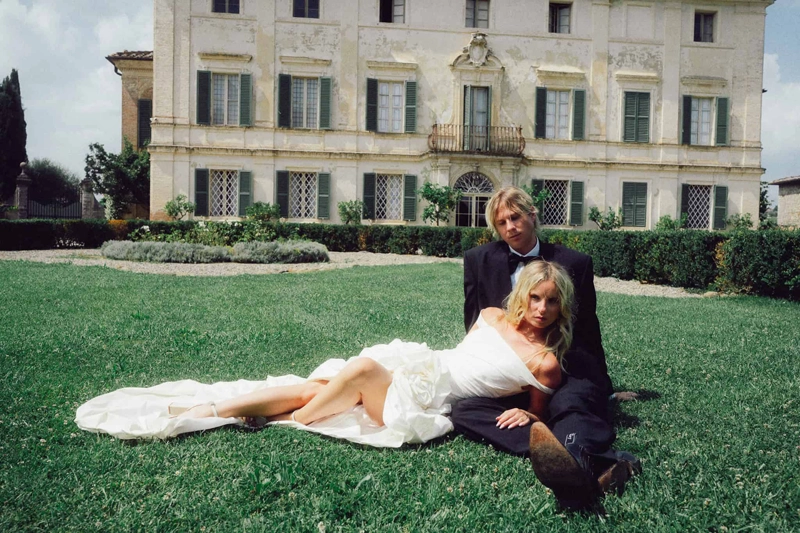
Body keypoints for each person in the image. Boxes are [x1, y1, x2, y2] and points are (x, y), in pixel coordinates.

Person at [76, 261, 575, 449]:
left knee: (355, 371)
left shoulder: (544, 360)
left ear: (561, 307)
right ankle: (209, 410)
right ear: (523, 295)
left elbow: (538, 406)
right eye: (536, 297)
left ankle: (296, 419)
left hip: (427, 399)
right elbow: (467, 355)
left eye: (552, 301)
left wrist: (525, 410)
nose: (542, 309)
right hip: (420, 365)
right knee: (321, 383)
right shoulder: (491, 316)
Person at [455, 186, 639, 510]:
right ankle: (554, 447)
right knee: (462, 410)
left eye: (515, 217)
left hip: (563, 366)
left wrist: (604, 388)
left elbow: (588, 332)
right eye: (501, 222)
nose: (510, 227)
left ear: (532, 215)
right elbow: (475, 325)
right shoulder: (478, 260)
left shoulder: (574, 262)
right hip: (511, 370)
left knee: (569, 406)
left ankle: (586, 460)